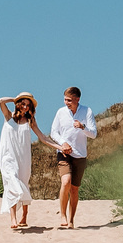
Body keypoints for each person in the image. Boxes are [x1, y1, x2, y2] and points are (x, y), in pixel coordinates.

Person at [0, 93, 44, 230]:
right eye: (23, 103)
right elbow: (0, 100)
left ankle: (25, 215)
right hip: (8, 156)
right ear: (18, 104)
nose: (25, 107)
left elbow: (42, 137)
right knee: (11, 181)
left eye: (28, 105)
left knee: (23, 183)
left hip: (23, 157)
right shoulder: (8, 116)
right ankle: (13, 218)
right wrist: (14, 99)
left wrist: (59, 146)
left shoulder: (30, 120)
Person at [48, 85, 96, 229]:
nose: (66, 102)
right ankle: (63, 215)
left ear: (77, 99)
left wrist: (83, 127)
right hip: (64, 153)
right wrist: (63, 143)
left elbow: (93, 134)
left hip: (80, 155)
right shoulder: (61, 112)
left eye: (69, 100)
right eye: (65, 99)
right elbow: (53, 132)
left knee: (74, 189)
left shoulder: (87, 111)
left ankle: (71, 220)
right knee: (65, 182)